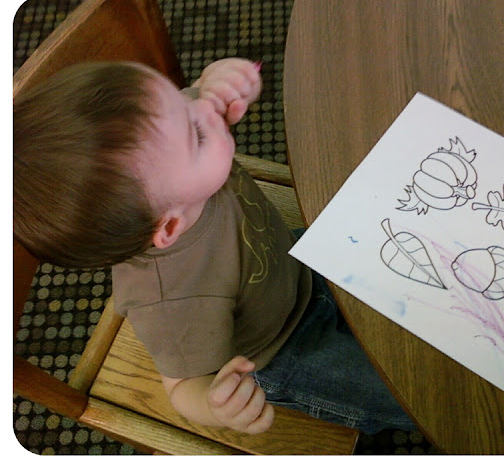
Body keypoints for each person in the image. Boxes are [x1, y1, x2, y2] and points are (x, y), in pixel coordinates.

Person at [14, 58, 416, 435]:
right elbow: (181, 386)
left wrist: (216, 82)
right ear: (170, 225)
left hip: (289, 263)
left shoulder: (166, 145)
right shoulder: (170, 300)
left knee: (407, 248)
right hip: (283, 349)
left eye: (179, 99)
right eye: (198, 134)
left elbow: (195, 104)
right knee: (404, 391)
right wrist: (213, 405)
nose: (203, 109)